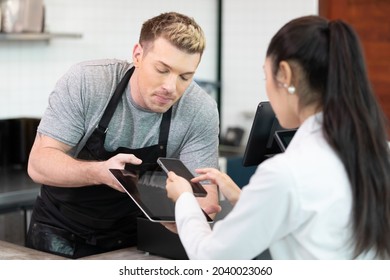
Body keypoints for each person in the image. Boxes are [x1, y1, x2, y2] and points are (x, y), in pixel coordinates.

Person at [166, 15, 390, 259]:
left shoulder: (286, 173)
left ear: (284, 74)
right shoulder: (379, 153)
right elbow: (312, 224)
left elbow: (210, 258)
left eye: (266, 76)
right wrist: (244, 199)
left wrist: (185, 199)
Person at [26, 11, 220, 259]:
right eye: (162, 69)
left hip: (132, 241)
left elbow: (204, 197)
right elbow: (39, 164)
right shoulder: (88, 82)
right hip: (60, 234)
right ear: (138, 55)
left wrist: (185, 217)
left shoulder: (200, 109)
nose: (171, 88)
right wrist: (99, 172)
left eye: (185, 77)